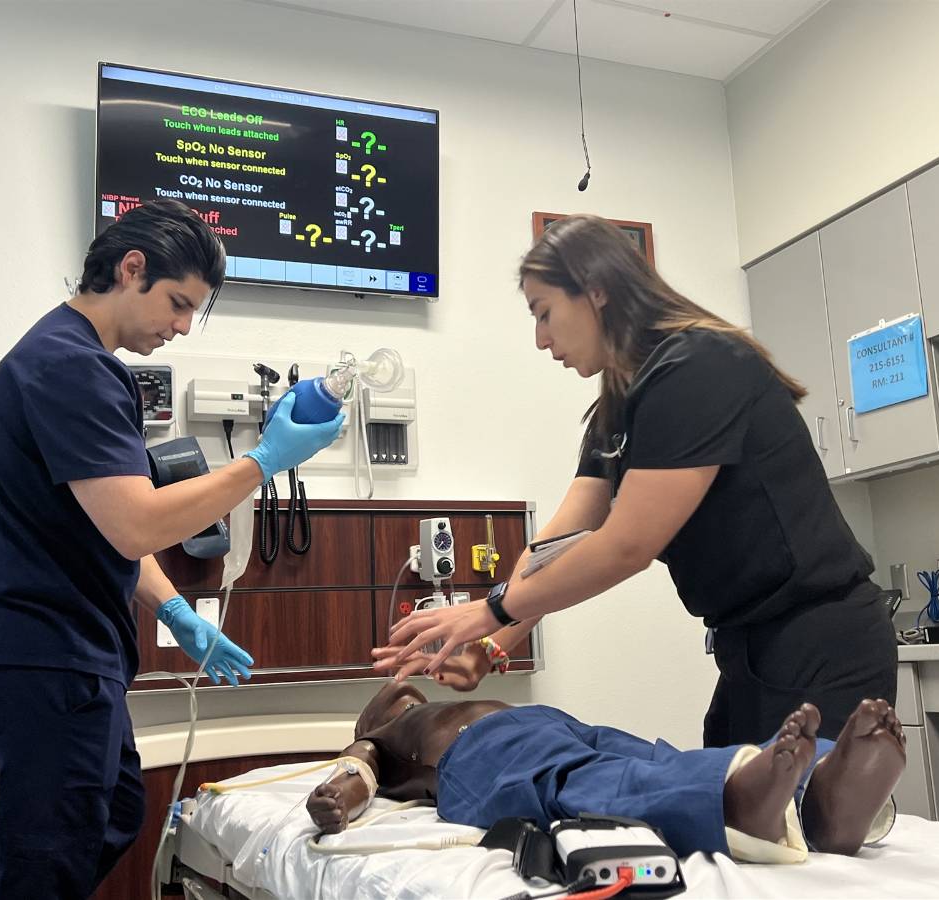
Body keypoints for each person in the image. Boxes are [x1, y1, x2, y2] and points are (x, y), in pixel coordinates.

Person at [376, 214, 897, 747]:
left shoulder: (700, 365)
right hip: (748, 647)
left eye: (545, 313)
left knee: (796, 821)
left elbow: (627, 545)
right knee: (731, 813)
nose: (540, 338)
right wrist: (491, 645)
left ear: (597, 291)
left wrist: (491, 611)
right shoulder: (618, 409)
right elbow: (555, 544)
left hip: (822, 641)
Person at [0, 199, 343, 899]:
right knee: (48, 857)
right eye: (177, 303)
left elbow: (102, 526)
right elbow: (138, 524)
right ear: (131, 269)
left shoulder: (72, 358)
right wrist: (262, 460)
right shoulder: (71, 367)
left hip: (56, 644)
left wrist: (174, 612)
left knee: (113, 812)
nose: (181, 326)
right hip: (45, 647)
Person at [305, 679, 906, 863]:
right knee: (577, 782)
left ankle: (818, 798)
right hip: (480, 755)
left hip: (551, 723)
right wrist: (335, 796)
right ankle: (733, 805)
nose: (405, 689)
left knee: (653, 759)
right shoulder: (382, 738)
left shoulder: (444, 702)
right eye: (394, 695)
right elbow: (355, 774)